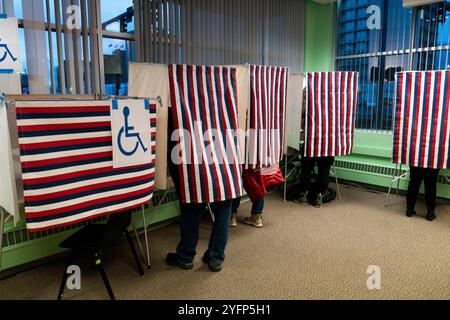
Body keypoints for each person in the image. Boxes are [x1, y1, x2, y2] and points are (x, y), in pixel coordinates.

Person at [165, 109, 234, 272]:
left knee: (192, 203)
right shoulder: (223, 95)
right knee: (224, 204)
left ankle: (185, 256)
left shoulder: (180, 100)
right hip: (222, 152)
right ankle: (215, 257)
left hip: (191, 157)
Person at [293, 89, 334, 208]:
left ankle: (304, 196)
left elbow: (300, 122)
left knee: (306, 169)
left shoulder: (309, 107)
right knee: (324, 171)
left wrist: (303, 101)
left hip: (311, 142)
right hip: (327, 143)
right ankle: (319, 197)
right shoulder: (333, 106)